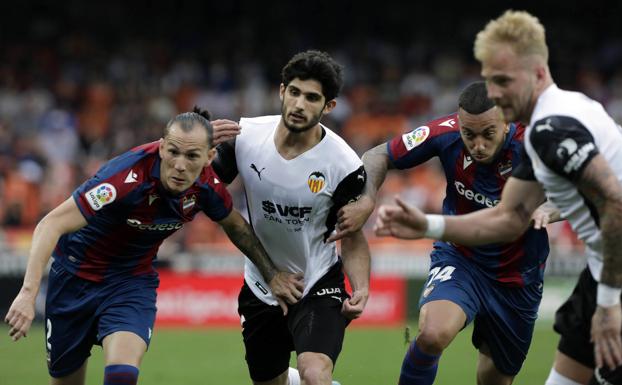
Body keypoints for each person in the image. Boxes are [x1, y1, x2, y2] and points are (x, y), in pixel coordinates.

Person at [374, 10, 622, 385]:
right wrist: (425, 223)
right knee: (435, 334)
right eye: (492, 80)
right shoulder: (561, 116)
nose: (495, 92)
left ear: (537, 73)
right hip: (570, 269)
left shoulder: (548, 130)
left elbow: (614, 203)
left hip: (558, 277)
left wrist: (608, 301)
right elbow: (511, 216)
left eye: (504, 81)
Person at [4, 108, 303, 385]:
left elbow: (236, 226)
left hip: (130, 282)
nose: (180, 166)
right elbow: (49, 224)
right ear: (161, 147)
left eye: (192, 155)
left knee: (122, 375)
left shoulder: (206, 186)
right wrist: (28, 295)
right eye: (173, 152)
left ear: (209, 157)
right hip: (74, 279)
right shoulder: (124, 177)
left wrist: (273, 274)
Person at [330, 81, 554, 385]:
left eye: (488, 134)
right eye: (469, 134)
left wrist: (549, 209)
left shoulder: (535, 143)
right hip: (462, 258)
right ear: (458, 124)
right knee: (433, 334)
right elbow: (376, 155)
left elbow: (585, 188)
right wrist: (367, 199)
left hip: (518, 275)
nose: (478, 145)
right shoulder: (444, 133)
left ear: (506, 122)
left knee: (494, 380)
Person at [210, 50, 371, 385]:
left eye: (312, 98)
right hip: (260, 284)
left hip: (317, 282)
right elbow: (201, 192)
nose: (299, 105)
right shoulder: (244, 137)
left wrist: (362, 286)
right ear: (281, 91)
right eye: (294, 92)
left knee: (315, 373)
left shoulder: (344, 165)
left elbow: (352, 234)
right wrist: (196, 145)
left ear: (329, 106)